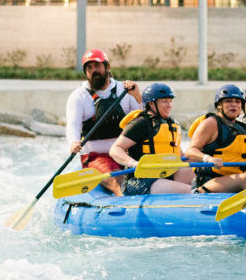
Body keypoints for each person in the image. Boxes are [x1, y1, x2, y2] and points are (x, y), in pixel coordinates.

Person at [65, 49, 142, 196]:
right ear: (85, 72)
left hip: (126, 151)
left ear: (106, 66)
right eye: (89, 68)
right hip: (96, 155)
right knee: (119, 179)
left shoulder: (124, 90)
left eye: (97, 66)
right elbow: (73, 124)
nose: (94, 71)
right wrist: (73, 142)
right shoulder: (78, 96)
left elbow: (142, 117)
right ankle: (123, 200)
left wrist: (138, 96)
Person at [110, 83, 193, 195]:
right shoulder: (140, 123)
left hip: (165, 174)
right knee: (190, 191)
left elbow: (178, 154)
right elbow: (115, 149)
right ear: (151, 104)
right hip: (141, 181)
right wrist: (133, 163)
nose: (169, 105)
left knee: (191, 176)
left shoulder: (171, 124)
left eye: (170, 101)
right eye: (165, 101)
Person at [185, 84, 246, 194]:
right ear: (220, 105)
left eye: (237, 102)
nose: (233, 105)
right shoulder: (211, 123)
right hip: (210, 181)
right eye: (228, 101)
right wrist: (209, 159)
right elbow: (190, 151)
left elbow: (243, 158)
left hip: (233, 177)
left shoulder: (243, 128)